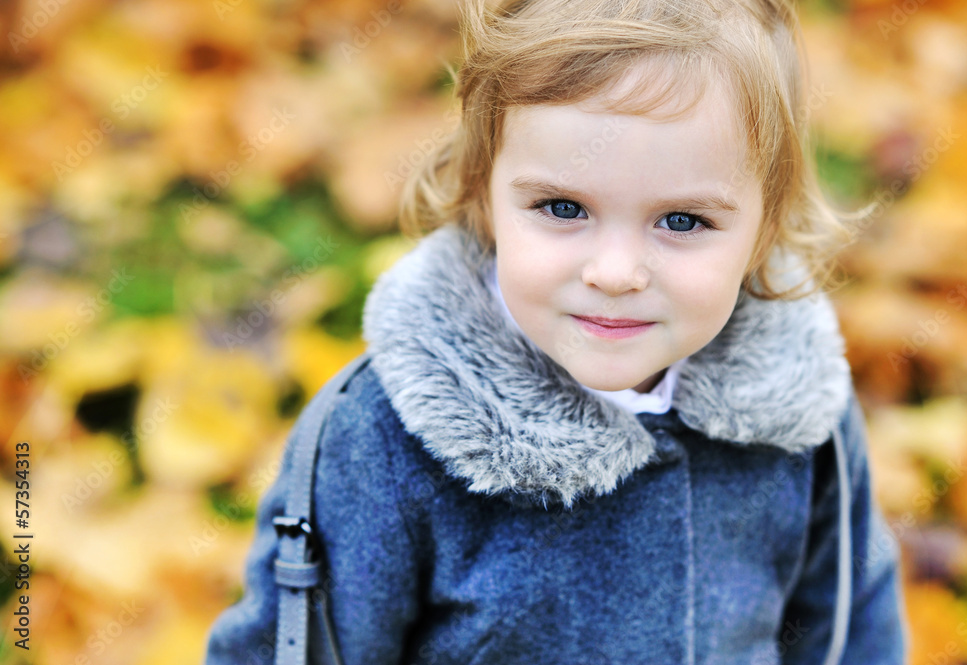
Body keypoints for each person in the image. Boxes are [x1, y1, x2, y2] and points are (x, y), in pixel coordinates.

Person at [204, 0, 909, 662]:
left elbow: (849, 619)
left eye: (683, 221)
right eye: (563, 207)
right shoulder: (382, 443)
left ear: (764, 229)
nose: (615, 270)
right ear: (482, 189)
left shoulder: (796, 411)